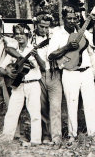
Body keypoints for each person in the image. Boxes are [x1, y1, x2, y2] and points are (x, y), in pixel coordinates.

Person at [47, 5, 95, 146]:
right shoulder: (58, 35)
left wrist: (93, 24)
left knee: (91, 104)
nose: (72, 21)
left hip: (86, 71)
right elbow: (51, 55)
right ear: (63, 19)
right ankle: (72, 135)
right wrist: (67, 47)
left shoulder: (82, 32)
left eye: (74, 18)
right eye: (69, 18)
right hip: (69, 72)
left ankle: (93, 135)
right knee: (72, 103)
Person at [0, 24, 45, 146]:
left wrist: (36, 55)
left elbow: (44, 67)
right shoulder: (14, 50)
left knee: (35, 113)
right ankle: (6, 139)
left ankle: (36, 140)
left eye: (22, 34)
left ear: (28, 35)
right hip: (18, 85)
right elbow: (1, 69)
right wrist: (9, 73)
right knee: (12, 112)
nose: (19, 36)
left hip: (33, 84)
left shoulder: (34, 49)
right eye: (17, 34)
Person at [31, 11, 61, 146]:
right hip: (38, 75)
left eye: (46, 27)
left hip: (54, 74)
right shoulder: (31, 38)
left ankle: (57, 136)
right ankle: (46, 135)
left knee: (55, 106)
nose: (44, 29)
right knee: (42, 107)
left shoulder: (55, 36)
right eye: (41, 26)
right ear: (36, 24)